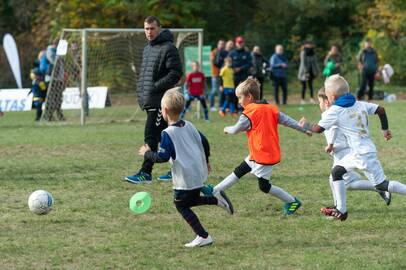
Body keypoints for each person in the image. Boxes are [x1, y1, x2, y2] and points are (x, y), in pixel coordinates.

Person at [300, 74, 406, 221]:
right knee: (336, 172)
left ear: (331, 96)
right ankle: (341, 210)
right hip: (358, 152)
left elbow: (318, 129)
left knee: (382, 185)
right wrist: (385, 129)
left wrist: (305, 125)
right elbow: (380, 110)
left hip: (362, 154)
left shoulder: (335, 110)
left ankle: (343, 209)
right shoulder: (359, 103)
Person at [138, 88, 234, 247]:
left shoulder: (167, 133)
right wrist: (207, 161)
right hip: (198, 171)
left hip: (185, 177)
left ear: (165, 111)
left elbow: (162, 157)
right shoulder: (189, 125)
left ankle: (203, 236)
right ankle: (217, 200)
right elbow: (204, 142)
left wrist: (147, 153)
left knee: (181, 205)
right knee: (192, 199)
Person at [212, 78, 312, 215]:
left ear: (249, 97)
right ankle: (216, 190)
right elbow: (288, 121)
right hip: (260, 153)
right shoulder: (271, 108)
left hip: (262, 155)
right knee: (240, 170)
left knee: (264, 187)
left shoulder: (249, 112)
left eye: (240, 98)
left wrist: (226, 128)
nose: (239, 101)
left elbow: (235, 130)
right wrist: (303, 129)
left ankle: (293, 201)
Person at [125, 16, 182, 184]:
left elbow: (176, 72)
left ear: (159, 28)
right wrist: (142, 92)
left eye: (152, 28)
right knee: (171, 137)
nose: (149, 32)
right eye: (146, 29)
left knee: (151, 136)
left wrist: (156, 86)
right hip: (150, 100)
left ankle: (145, 173)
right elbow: (146, 75)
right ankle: (178, 170)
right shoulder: (147, 49)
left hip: (161, 101)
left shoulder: (168, 48)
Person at [315, 87, 391, 210]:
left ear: (327, 101)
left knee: (337, 178)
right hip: (342, 151)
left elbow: (333, 129)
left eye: (320, 101)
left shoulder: (331, 113)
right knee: (344, 181)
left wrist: (330, 143)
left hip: (345, 150)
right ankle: (380, 188)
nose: (319, 104)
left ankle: (339, 207)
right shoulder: (339, 110)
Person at [229, 36, 252, 111]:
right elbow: (228, 63)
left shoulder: (247, 53)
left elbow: (250, 64)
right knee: (234, 92)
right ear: (236, 43)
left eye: (241, 42)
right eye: (238, 42)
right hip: (234, 76)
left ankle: (244, 108)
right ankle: (234, 108)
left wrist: (241, 68)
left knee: (244, 92)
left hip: (244, 75)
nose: (240, 44)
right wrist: (233, 68)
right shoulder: (232, 53)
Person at [209, 40, 225, 111]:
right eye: (220, 44)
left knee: (220, 90)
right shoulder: (214, 52)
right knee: (214, 90)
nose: (221, 45)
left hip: (222, 74)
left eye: (223, 44)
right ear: (218, 44)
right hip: (215, 74)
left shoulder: (224, 53)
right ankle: (211, 106)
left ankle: (220, 106)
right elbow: (212, 62)